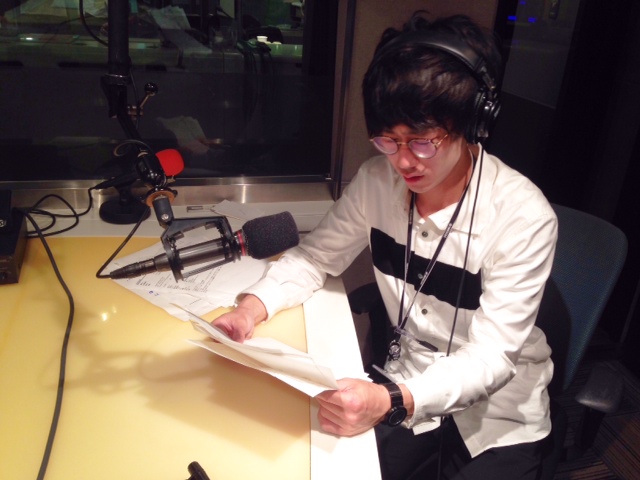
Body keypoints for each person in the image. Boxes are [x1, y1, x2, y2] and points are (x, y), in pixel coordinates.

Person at [213, 11, 557, 480]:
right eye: (388, 141)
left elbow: (491, 357)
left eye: (422, 142)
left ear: (472, 123)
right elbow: (315, 258)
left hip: (500, 415)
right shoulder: (377, 181)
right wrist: (250, 309)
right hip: (407, 379)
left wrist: (391, 399)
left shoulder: (524, 216)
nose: (403, 162)